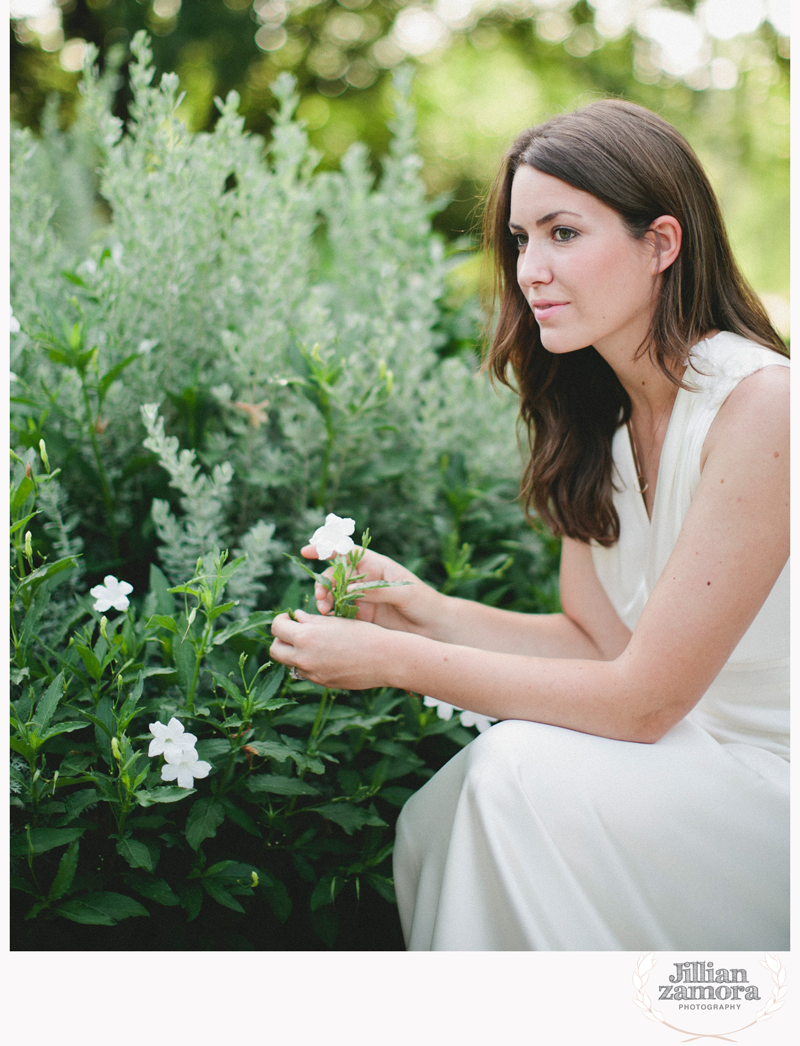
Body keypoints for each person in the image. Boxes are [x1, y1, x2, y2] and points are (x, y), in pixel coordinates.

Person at [270, 99, 789, 952]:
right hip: (687, 761)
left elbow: (646, 699)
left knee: (514, 780)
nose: (529, 269)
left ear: (662, 243)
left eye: (562, 233)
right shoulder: (605, 426)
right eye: (519, 239)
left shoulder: (763, 404)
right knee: (442, 812)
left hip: (771, 788)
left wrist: (396, 661)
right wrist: (425, 607)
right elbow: (596, 642)